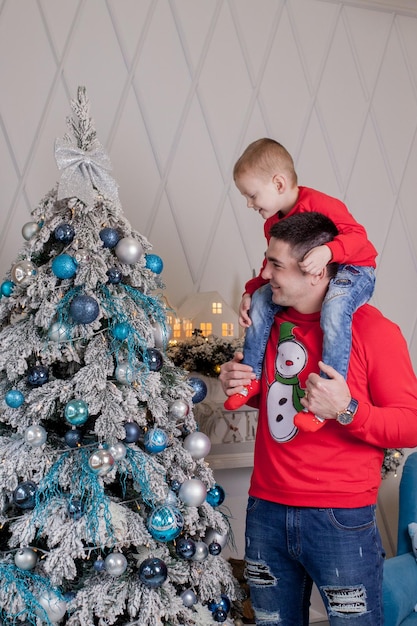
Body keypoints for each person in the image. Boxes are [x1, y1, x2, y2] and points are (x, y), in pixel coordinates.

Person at [219, 212, 417, 626]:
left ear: (317, 271)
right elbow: (278, 399)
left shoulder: (374, 332)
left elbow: (410, 423)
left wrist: (345, 410)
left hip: (339, 519)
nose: (264, 275)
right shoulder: (269, 323)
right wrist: (240, 382)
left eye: (276, 265)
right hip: (266, 512)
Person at [224, 138, 377, 435]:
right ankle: (251, 377)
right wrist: (250, 290)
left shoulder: (320, 204)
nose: (249, 204)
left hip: (355, 269)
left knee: (335, 307)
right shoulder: (271, 224)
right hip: (320, 271)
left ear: (279, 183)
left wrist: (329, 252)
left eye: (252, 195)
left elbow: (360, 239)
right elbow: (273, 263)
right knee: (260, 300)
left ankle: (325, 396)